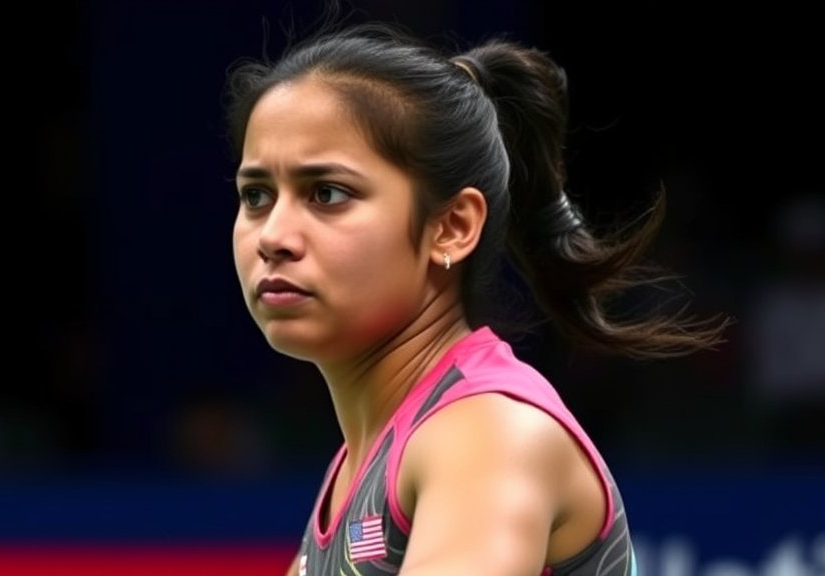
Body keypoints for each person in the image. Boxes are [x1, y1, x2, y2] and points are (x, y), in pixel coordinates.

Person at [223, 13, 730, 576]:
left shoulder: (486, 432)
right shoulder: (360, 465)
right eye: (257, 195)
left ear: (452, 227)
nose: (273, 237)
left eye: (327, 193)